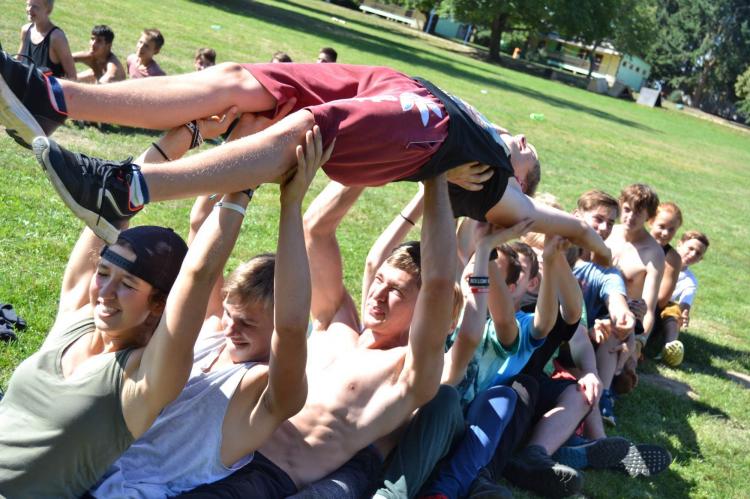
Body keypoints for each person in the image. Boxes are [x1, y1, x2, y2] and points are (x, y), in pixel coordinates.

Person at [0, 54, 612, 269]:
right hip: (396, 82)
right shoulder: (486, 129)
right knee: (241, 80)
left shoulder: (494, 182)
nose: (528, 144)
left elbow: (557, 223)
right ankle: (53, 97)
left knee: (308, 130)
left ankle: (128, 190)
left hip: (430, 131)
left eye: (531, 160)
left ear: (516, 179)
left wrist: (593, 244)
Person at [0, 109, 251, 496]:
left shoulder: (143, 378)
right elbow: (114, 202)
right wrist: (189, 131)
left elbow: (199, 274)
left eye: (128, 284)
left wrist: (244, 179)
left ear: (157, 304)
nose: (104, 292)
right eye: (104, 274)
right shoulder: (77, 317)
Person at [180, 174, 458, 498]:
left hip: (265, 477)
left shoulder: (405, 371)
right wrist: (375, 160)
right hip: (214, 445)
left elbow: (439, 286)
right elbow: (315, 228)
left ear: (423, 307)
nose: (377, 293)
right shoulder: (336, 323)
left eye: (396, 290)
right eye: (380, 279)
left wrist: (436, 181)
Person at [90, 125, 328, 497]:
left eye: (247, 323)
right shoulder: (215, 332)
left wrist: (291, 204)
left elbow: (293, 326)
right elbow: (201, 222)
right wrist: (249, 146)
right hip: (88, 458)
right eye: (232, 313)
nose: (231, 326)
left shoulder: (266, 392)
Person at [572, 189, 636, 426]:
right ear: (577, 215)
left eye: (610, 223)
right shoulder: (553, 252)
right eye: (598, 219)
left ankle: (605, 394)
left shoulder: (603, 271)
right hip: (548, 336)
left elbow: (616, 297)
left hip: (580, 345)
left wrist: (622, 316)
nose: (604, 228)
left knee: (612, 334)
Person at [645, 202, 685, 366]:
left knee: (672, 308)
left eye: (671, 229)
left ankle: (670, 346)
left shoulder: (672, 258)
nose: (665, 233)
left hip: (649, 308)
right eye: (661, 226)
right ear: (650, 222)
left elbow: (661, 299)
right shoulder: (634, 242)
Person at [17, 0, 76, 79]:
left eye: (35, 7)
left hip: (48, 91)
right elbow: (18, 63)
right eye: (28, 5)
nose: (29, 9)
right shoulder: (25, 30)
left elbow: (72, 76)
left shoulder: (56, 37)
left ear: (48, 10)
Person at [672, 230, 710, 333]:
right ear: (679, 244)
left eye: (698, 253)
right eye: (691, 248)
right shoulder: (660, 258)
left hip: (660, 310)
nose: (693, 254)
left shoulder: (690, 281)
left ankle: (670, 344)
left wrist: (684, 312)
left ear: (700, 259)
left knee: (676, 313)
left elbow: (686, 301)